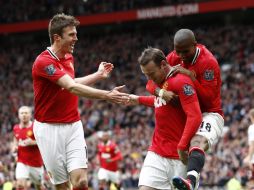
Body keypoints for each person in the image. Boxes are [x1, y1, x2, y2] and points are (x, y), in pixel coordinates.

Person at [32, 13, 129, 190]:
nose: (76, 38)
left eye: (76, 34)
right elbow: (71, 87)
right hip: (48, 129)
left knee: (81, 182)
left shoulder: (69, 57)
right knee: (62, 186)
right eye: (72, 35)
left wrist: (98, 76)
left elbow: (71, 83)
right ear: (57, 37)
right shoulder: (43, 61)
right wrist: (107, 95)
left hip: (73, 125)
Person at [146, 29, 224, 190]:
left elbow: (208, 99)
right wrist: (161, 92)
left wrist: (190, 76)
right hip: (186, 112)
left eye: (185, 51)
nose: (181, 55)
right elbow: (151, 83)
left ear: (194, 45)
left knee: (197, 141)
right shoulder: (173, 56)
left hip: (209, 113)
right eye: (177, 50)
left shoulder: (208, 62)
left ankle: (191, 180)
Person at [126, 47, 202, 190]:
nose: (149, 78)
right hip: (157, 152)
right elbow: (158, 102)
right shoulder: (157, 82)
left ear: (162, 64)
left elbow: (195, 116)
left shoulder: (181, 82)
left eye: (151, 73)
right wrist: (138, 99)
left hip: (180, 157)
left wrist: (181, 146)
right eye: (146, 74)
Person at [12, 106, 44, 190]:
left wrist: (32, 142)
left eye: (26, 113)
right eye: (22, 113)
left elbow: (44, 142)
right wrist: (14, 147)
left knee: (39, 186)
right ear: (18, 115)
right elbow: (15, 140)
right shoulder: (16, 128)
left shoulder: (36, 127)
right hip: (21, 162)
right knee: (20, 185)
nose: (24, 115)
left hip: (36, 163)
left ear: (30, 115)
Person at [243, 108, 254, 186]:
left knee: (251, 183)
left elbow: (252, 144)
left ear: (251, 117)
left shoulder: (252, 128)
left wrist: (249, 158)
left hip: (253, 160)